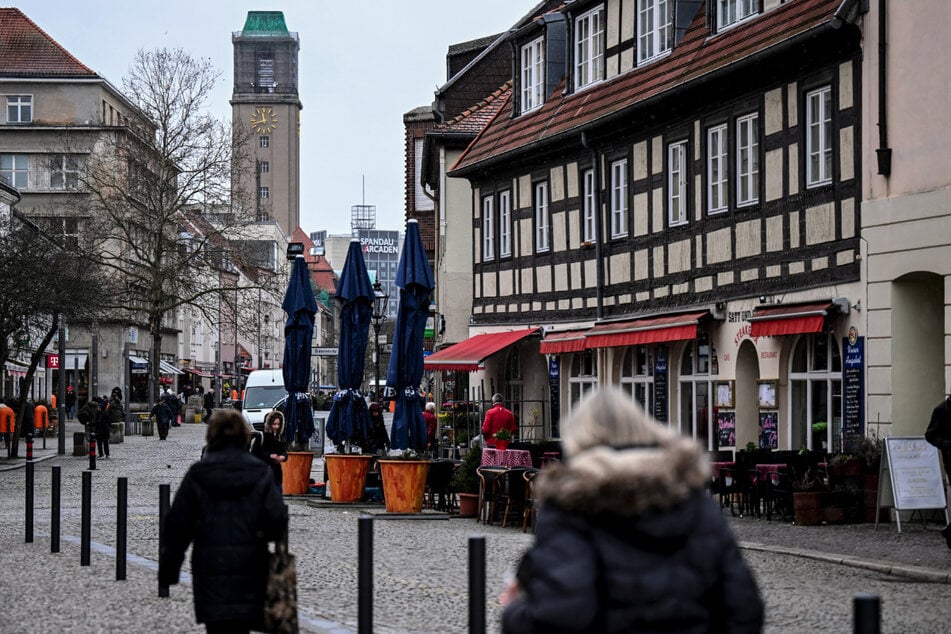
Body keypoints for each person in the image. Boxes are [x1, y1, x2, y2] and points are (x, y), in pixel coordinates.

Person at [499, 388, 763, 634]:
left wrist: (514, 611)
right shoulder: (693, 501)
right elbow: (745, 609)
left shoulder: (571, 506)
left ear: (577, 440)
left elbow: (563, 614)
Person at [160, 410, 288, 633]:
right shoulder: (259, 472)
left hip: (210, 565)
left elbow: (177, 526)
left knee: (217, 626)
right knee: (243, 625)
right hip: (250, 563)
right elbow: (277, 521)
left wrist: (168, 571)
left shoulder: (198, 473)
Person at [925, 393, 951, 550]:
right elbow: (930, 435)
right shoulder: (941, 410)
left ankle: (950, 531)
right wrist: (946, 445)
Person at [253, 409, 288, 491]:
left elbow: (284, 451)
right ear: (269, 424)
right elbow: (255, 454)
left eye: (278, 424)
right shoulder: (261, 436)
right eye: (274, 424)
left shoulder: (279, 437)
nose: (276, 427)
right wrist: (270, 456)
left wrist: (283, 457)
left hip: (276, 476)